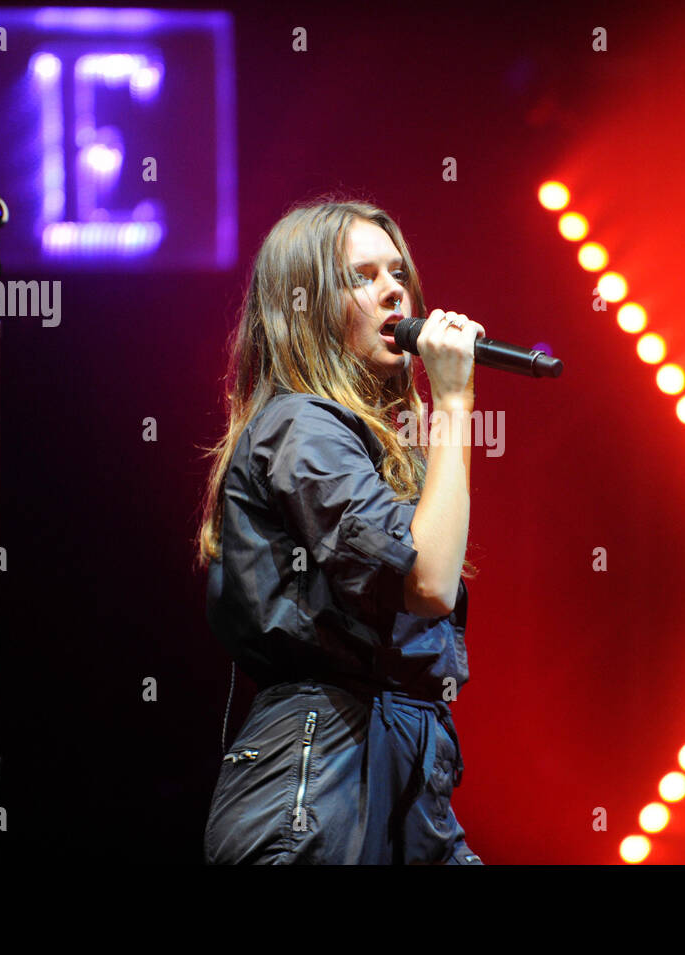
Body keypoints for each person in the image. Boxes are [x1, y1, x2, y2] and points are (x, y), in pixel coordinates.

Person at [194, 199, 485, 864]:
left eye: (398, 271)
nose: (393, 289)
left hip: (405, 772)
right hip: (316, 775)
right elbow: (430, 581)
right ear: (306, 307)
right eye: (361, 276)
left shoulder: (372, 451)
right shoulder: (299, 427)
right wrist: (455, 401)